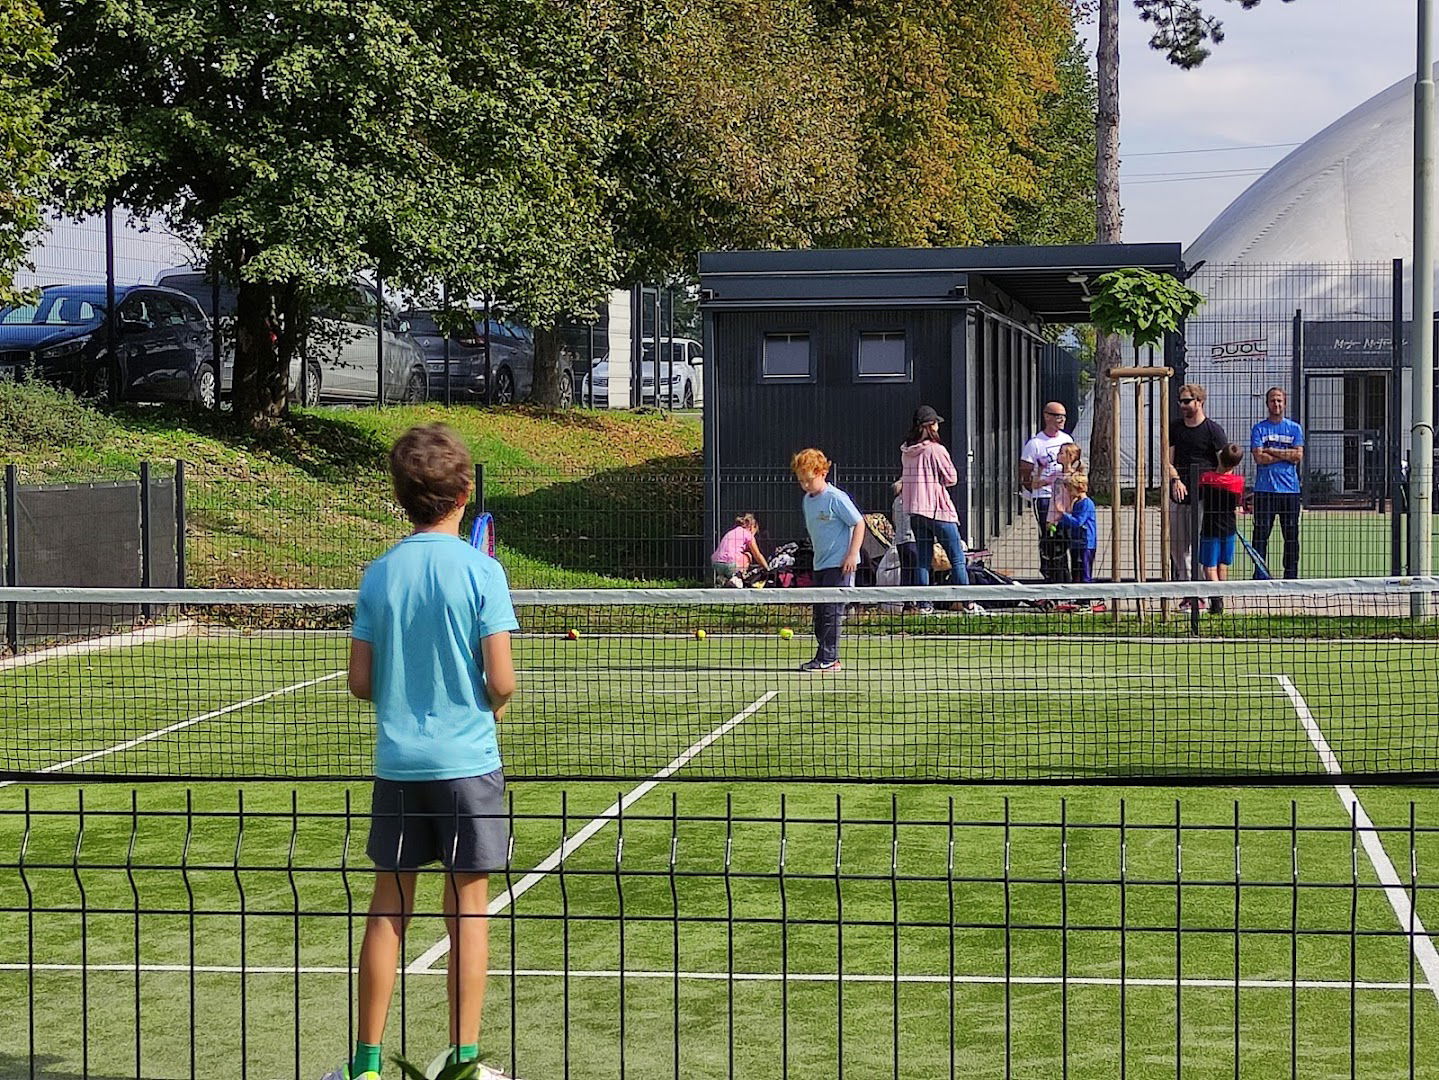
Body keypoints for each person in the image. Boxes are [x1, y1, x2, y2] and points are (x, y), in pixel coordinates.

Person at [328, 424, 519, 1080]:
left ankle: (366, 1065)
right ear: (464, 492)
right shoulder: (482, 571)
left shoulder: (379, 574)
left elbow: (359, 682)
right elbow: (502, 681)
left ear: (401, 496)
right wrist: (489, 704)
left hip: (399, 768)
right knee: (468, 908)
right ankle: (463, 1064)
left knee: (389, 906)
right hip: (468, 766)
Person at [900, 405, 984, 615]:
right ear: (931, 426)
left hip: (915, 511)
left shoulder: (907, 452)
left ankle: (924, 605)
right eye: (936, 423)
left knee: (923, 560)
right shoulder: (936, 449)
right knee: (957, 558)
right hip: (938, 510)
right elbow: (952, 477)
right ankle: (968, 603)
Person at [792, 447, 865, 673]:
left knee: (832, 612)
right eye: (801, 480)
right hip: (820, 565)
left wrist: (852, 554)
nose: (805, 485)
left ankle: (829, 659)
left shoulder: (836, 498)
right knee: (820, 614)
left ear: (822, 472)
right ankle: (824, 655)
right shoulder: (807, 500)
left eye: (809, 479)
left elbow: (859, 523)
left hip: (839, 565)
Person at [1166, 384, 1228, 598]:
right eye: (1180, 401)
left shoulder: (1214, 430)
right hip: (1178, 498)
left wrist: (1214, 486)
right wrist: (1176, 480)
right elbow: (1167, 460)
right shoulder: (1175, 428)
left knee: (1201, 546)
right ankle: (1187, 592)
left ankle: (1201, 594)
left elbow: (1225, 465)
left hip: (1204, 499)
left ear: (1199, 402)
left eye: (1186, 401)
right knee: (1177, 546)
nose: (1182, 405)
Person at [1250, 386, 1304, 579]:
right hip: (1265, 491)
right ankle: (1260, 574)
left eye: (1279, 400)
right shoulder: (1259, 428)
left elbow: (1297, 456)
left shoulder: (1294, 428)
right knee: (1261, 535)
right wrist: (1285, 455)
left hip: (1290, 491)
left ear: (1285, 403)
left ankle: (1290, 576)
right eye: (1273, 400)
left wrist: (1271, 450)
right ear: (1267, 404)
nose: (1276, 404)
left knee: (1290, 536)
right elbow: (1259, 458)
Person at [1019, 402, 1076, 581]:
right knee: (1049, 535)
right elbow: (1025, 472)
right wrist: (1036, 488)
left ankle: (1063, 574)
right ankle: (1050, 573)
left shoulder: (1066, 439)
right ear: (1047, 416)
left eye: (1064, 416)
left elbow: (1074, 465)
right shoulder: (1035, 444)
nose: (1062, 420)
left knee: (1064, 534)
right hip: (1044, 497)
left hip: (1063, 496)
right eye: (1058, 416)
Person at [1198, 443, 1247, 614]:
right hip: (1229, 528)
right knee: (1222, 564)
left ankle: (1216, 600)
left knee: (1208, 567)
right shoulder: (1239, 482)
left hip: (1210, 527)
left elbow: (1200, 493)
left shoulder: (1206, 478)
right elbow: (1238, 504)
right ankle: (1221, 598)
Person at [1043, 443, 1084, 584]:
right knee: (1057, 555)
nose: (1058, 455)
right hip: (1056, 520)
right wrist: (1050, 519)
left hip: (1069, 519)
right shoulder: (1056, 476)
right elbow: (1049, 495)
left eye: (1061, 453)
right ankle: (1060, 583)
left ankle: (1075, 585)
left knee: (1074, 555)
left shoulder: (1075, 477)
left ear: (1070, 457)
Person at [1057, 472, 1097, 585]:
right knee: (1076, 572)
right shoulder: (1077, 502)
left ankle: (1085, 599)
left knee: (1084, 572)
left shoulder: (1086, 503)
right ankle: (1077, 596)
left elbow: (1078, 522)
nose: (1069, 493)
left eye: (1070, 490)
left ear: (1079, 488)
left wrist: (1063, 514)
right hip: (1076, 542)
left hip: (1085, 543)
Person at [711, 512, 769, 586]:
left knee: (735, 556)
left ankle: (723, 578)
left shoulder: (731, 532)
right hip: (731, 563)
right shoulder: (748, 535)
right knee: (748, 555)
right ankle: (736, 577)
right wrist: (766, 568)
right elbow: (757, 555)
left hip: (716, 563)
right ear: (752, 527)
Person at [891, 479, 919, 588]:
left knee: (905, 571)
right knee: (917, 570)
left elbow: (894, 519)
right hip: (912, 539)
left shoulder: (896, 502)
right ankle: (918, 598)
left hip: (900, 541)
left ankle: (906, 599)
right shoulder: (911, 501)